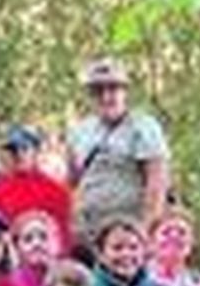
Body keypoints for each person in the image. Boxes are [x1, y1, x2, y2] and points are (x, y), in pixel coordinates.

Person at [66, 58, 169, 242]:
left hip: (127, 232)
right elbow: (72, 182)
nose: (106, 97)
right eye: (98, 91)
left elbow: (156, 184)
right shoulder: (80, 132)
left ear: (124, 92)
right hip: (87, 230)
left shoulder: (144, 127)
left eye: (113, 89)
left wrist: (145, 231)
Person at [0, 125, 73, 255]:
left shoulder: (56, 190)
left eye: (24, 149)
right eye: (13, 150)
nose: (18, 155)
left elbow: (64, 234)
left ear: (35, 151)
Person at [146, 207, 200, 286]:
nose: (174, 236)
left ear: (192, 243)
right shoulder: (135, 280)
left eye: (182, 233)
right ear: (151, 243)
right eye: (166, 232)